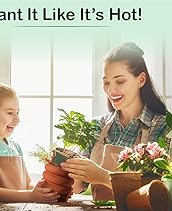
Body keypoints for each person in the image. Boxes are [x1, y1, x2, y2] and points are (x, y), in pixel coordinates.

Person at [61, 42, 170, 200]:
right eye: (106, 82)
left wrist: (103, 177)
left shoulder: (163, 127)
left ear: (141, 80)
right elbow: (76, 187)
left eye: (120, 81)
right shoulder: (96, 127)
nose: (111, 90)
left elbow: (161, 192)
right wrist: (65, 170)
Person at [0, 80, 60, 203]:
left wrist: (45, 191)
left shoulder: (15, 146)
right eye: (10, 113)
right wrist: (30, 196)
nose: (17, 119)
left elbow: (28, 183)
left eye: (17, 112)